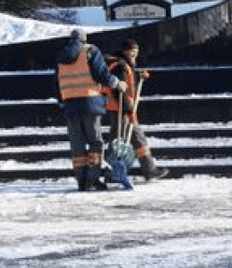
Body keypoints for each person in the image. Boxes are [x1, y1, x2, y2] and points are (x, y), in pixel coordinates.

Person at [54, 29, 125, 191]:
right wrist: (117, 83)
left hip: (70, 104)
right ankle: (92, 180)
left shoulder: (60, 55)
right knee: (95, 142)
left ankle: (81, 180)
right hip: (90, 102)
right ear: (84, 40)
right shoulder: (90, 50)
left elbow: (56, 82)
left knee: (77, 144)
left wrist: (61, 101)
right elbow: (102, 74)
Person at [105, 39, 167, 181]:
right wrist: (128, 109)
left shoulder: (124, 65)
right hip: (122, 109)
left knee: (124, 140)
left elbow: (128, 84)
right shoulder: (121, 66)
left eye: (137, 51)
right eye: (132, 51)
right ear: (125, 51)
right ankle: (148, 170)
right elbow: (119, 90)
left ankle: (114, 173)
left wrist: (138, 77)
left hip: (121, 108)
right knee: (129, 140)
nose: (135, 54)